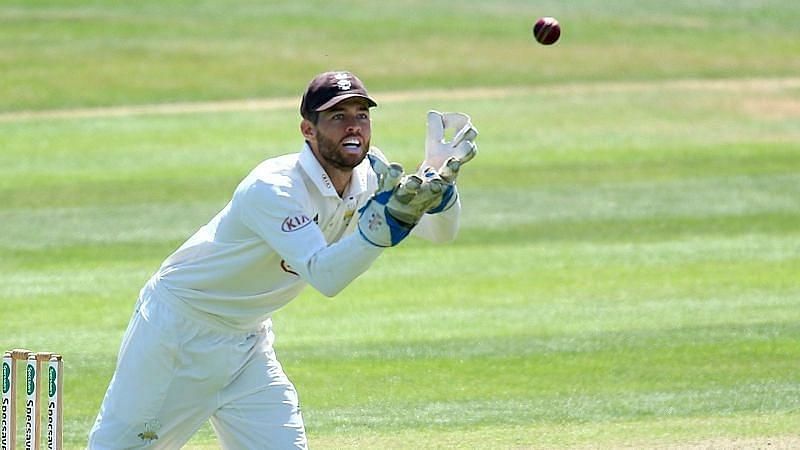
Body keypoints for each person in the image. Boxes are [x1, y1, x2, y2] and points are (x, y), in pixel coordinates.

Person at [87, 70, 478, 449]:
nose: (353, 126)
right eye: (337, 117)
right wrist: (379, 230)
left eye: (362, 115)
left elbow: (439, 233)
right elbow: (325, 276)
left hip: (247, 344)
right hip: (177, 335)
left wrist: (441, 190)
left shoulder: (371, 173)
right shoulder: (274, 187)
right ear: (308, 130)